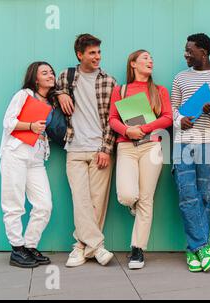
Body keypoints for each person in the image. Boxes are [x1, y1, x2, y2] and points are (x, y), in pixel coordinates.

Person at [56, 34, 117, 267]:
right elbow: (52, 93)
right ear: (80, 55)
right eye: (92, 53)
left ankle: (80, 247)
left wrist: (106, 148)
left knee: (97, 201)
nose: (97, 57)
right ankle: (97, 247)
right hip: (74, 147)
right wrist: (60, 93)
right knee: (79, 199)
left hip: (98, 148)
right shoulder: (66, 76)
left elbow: (113, 119)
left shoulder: (109, 82)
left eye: (98, 52)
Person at [109, 50, 173, 269]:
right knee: (128, 195)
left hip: (152, 146)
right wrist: (128, 131)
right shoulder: (121, 90)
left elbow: (167, 117)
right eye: (145, 58)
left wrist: (143, 129)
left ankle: (137, 249)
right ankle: (132, 205)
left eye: (151, 58)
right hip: (126, 146)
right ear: (133, 64)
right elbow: (112, 119)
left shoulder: (159, 90)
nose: (150, 61)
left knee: (146, 198)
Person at [171, 33, 210, 272]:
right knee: (186, 195)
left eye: (189, 50)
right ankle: (202, 247)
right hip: (183, 142)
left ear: (203, 52)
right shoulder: (180, 78)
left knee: (206, 196)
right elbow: (172, 109)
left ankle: (194, 250)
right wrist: (180, 119)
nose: (186, 54)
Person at [0, 61, 56, 268]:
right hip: (16, 153)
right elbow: (8, 122)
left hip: (36, 157)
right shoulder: (24, 95)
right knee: (14, 204)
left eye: (51, 72)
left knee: (44, 205)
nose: (50, 75)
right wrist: (31, 126)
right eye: (45, 72)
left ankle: (29, 246)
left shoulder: (50, 101)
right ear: (35, 78)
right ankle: (17, 249)